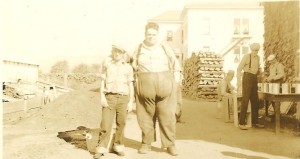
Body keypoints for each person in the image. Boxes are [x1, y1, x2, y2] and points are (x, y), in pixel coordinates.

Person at [132, 22, 181, 156]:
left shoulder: (165, 48)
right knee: (145, 117)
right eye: (149, 34)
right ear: (145, 34)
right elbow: (132, 65)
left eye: (154, 34)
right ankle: (146, 144)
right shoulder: (139, 48)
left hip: (166, 86)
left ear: (158, 35)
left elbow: (176, 65)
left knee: (168, 117)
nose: (151, 37)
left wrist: (175, 83)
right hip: (145, 87)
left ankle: (170, 144)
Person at [94, 45, 134, 158]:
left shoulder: (128, 68)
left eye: (120, 52)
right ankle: (101, 148)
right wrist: (102, 97)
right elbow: (102, 82)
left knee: (121, 124)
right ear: (112, 52)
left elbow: (131, 85)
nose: (117, 54)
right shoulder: (107, 65)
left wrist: (131, 102)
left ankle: (118, 146)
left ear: (123, 54)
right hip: (109, 98)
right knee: (106, 124)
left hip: (123, 99)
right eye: (115, 51)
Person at [237, 43, 265, 130]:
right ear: (251, 50)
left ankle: (255, 122)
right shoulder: (246, 56)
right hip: (247, 77)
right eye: (253, 50)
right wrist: (238, 82)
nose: (255, 52)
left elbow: (257, 69)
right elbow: (239, 69)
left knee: (255, 100)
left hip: (254, 78)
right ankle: (241, 123)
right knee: (245, 100)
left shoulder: (258, 57)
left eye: (257, 50)